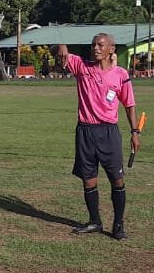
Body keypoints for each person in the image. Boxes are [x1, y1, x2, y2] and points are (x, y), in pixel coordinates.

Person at [55, 33, 140, 240]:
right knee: (88, 180)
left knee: (117, 180)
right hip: (85, 131)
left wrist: (134, 132)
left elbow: (129, 105)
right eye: (93, 44)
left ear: (111, 49)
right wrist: (61, 47)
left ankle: (118, 225)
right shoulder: (81, 66)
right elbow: (60, 56)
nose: (95, 48)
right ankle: (95, 221)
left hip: (108, 133)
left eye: (100, 45)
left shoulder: (120, 74)